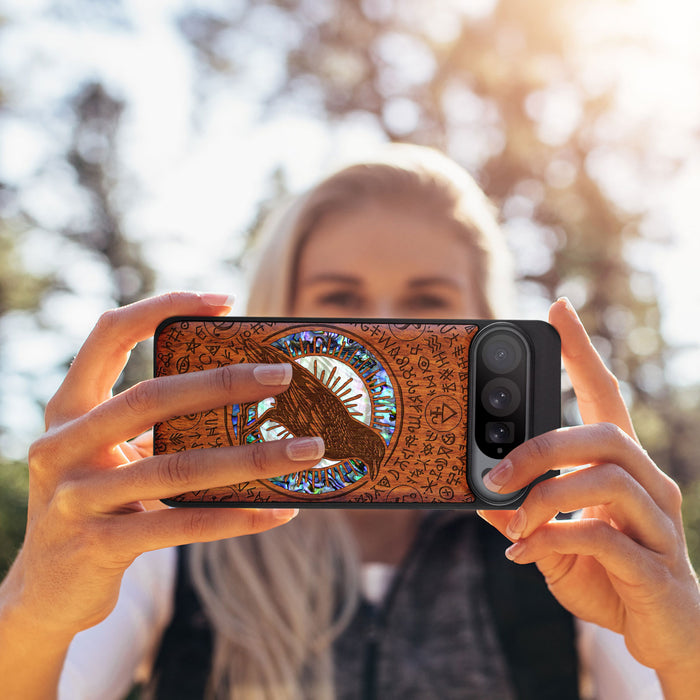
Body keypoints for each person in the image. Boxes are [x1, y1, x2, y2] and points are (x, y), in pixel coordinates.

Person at [0, 145, 698, 700]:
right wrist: (34, 607)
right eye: (339, 298)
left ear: (486, 324)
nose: (381, 328)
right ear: (279, 313)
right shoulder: (172, 535)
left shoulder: (567, 543)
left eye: (427, 302)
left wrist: (685, 648)